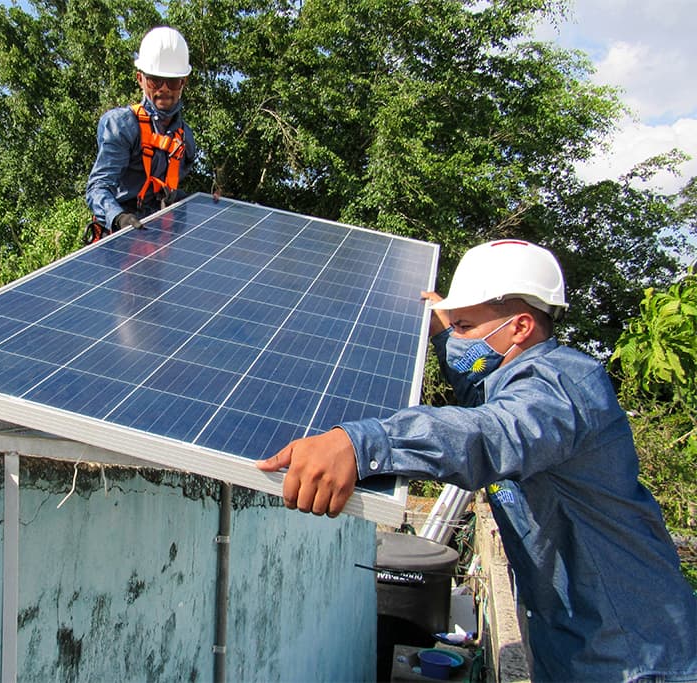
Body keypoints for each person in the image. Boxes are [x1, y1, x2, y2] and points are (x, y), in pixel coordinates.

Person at [256, 239, 697, 682]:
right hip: (574, 649)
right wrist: (447, 335)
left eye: (466, 324)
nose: (459, 336)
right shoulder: (516, 376)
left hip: (637, 661)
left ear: (520, 327)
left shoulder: (562, 389)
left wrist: (360, 443)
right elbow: (481, 391)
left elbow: (490, 433)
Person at [84, 26, 197, 244]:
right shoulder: (122, 125)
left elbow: (173, 195)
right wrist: (118, 218)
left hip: (159, 241)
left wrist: (211, 207)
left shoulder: (185, 139)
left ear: (183, 82)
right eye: (155, 80)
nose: (164, 89)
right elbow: (98, 188)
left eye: (172, 81)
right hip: (120, 239)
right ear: (140, 79)